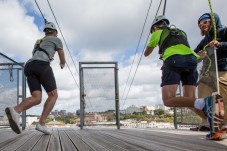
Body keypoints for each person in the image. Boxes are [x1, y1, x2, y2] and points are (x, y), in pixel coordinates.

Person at [144, 15, 224, 140]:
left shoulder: (157, 32)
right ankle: (217, 125)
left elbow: (146, 53)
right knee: (190, 101)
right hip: (192, 61)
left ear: (155, 27)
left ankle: (207, 102)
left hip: (173, 60)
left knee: (168, 100)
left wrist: (155, 40)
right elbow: (187, 50)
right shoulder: (181, 32)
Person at [5, 21, 66, 135]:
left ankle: (15, 111)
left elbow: (36, 54)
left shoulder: (38, 41)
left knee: (37, 97)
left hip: (29, 66)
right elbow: (61, 56)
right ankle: (41, 123)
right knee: (53, 95)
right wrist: (62, 63)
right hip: (41, 65)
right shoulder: (56, 39)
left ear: (45, 32)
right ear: (55, 32)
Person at [195, 13, 227, 135]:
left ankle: (222, 123)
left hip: (222, 70)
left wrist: (220, 44)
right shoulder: (204, 40)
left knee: (221, 95)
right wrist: (198, 57)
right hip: (207, 73)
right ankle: (212, 124)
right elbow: (194, 54)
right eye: (200, 25)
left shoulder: (224, 32)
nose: (202, 26)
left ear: (214, 21)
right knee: (203, 99)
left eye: (205, 22)